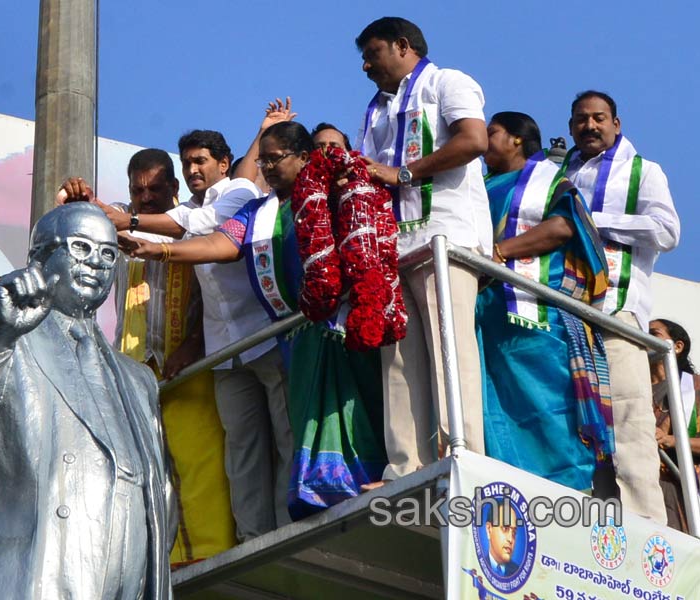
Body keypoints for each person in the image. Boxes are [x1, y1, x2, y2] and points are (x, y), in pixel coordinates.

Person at [0, 203, 174, 600]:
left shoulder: (138, 380)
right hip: (28, 574)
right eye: (80, 248)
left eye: (108, 253)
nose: (96, 262)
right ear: (38, 259)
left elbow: (159, 494)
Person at [126, 120, 389, 520]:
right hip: (295, 338)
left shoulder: (335, 195)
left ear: (304, 157)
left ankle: (342, 502)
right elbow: (221, 244)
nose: (265, 167)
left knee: (323, 425)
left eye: (274, 158)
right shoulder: (257, 210)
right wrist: (155, 251)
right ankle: (278, 526)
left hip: (340, 331)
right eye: (262, 160)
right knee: (264, 443)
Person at [354, 17, 492, 486]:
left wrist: (405, 173)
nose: (366, 66)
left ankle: (461, 457)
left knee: (449, 349)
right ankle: (402, 467)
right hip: (394, 247)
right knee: (397, 359)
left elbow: (474, 140)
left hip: (444, 237)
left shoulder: (447, 81)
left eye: (372, 54)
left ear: (402, 46)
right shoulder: (375, 109)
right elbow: (371, 173)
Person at [111, 149, 235, 563]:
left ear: (174, 189)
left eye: (155, 189)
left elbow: (213, 295)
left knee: (200, 460)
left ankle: (210, 554)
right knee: (143, 468)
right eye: (137, 190)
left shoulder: (193, 224)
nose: (145, 198)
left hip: (187, 365)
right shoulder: (115, 227)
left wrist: (194, 343)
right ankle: (159, 560)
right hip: (133, 371)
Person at [477, 112, 613, 491]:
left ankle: (568, 488)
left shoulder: (550, 179)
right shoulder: (479, 184)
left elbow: (562, 226)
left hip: (534, 315)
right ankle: (509, 483)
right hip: (488, 317)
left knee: (545, 402)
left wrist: (499, 252)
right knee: (496, 403)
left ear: (518, 139)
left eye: (492, 133)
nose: (484, 141)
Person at [564, 90, 681, 522]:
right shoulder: (560, 172)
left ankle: (646, 525)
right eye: (580, 119)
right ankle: (587, 516)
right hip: (564, 312)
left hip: (617, 310)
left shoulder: (643, 171)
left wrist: (592, 221)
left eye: (598, 118)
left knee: (630, 419)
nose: (589, 126)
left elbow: (667, 232)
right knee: (573, 416)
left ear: (617, 123)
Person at [650, 318, 699, 531]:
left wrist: (670, 439)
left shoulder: (694, 388)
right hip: (627, 486)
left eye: (654, 333)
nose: (644, 338)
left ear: (677, 347)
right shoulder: (629, 386)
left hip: (675, 491)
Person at [485, 506, 519, 577]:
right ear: (489, 529)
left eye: (514, 533)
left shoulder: (517, 572)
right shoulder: (477, 564)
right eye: (505, 529)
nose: (510, 539)